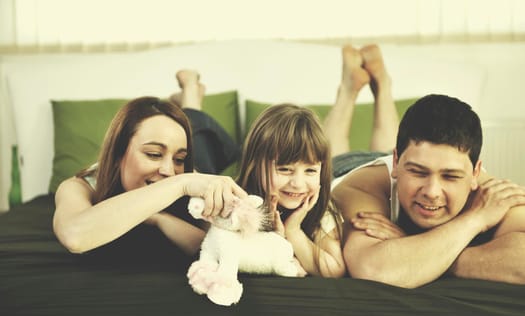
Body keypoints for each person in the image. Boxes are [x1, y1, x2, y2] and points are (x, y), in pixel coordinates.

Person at [235, 44, 399, 278]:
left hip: (355, 170)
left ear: (319, 169)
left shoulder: (321, 207)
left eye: (310, 170)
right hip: (339, 170)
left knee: (384, 153)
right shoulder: (239, 200)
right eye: (284, 169)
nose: (298, 184)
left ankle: (379, 86)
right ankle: (351, 89)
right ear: (254, 164)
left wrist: (292, 230)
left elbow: (333, 270)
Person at [332, 93, 525, 288]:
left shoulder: (491, 197)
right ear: (396, 162)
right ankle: (349, 91)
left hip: (401, 159)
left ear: (475, 173)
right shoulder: (360, 186)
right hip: (346, 167)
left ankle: (383, 87)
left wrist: (417, 249)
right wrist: (475, 220)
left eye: (450, 176)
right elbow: (372, 269)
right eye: (418, 172)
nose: (432, 192)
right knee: (328, 151)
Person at [53, 72, 247, 257]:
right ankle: (190, 92)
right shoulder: (78, 186)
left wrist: (158, 218)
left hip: (200, 161)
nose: (169, 171)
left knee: (196, 133)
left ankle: (190, 95)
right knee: (191, 125)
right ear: (119, 152)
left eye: (179, 160)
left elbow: (216, 248)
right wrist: (178, 185)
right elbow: (74, 237)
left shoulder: (186, 175)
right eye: (154, 154)